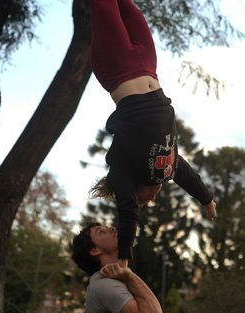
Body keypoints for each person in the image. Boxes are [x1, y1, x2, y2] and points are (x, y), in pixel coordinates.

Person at [90, 0, 217, 264]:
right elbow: (189, 176)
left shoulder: (123, 168)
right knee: (130, 8)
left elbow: (127, 211)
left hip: (117, 69)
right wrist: (207, 199)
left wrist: (124, 257)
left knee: (105, 6)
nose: (153, 197)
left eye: (144, 199)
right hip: (147, 65)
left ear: (135, 189)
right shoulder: (168, 167)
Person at [72, 223, 163, 313]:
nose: (112, 228)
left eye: (107, 228)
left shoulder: (112, 281)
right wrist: (130, 277)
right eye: (101, 232)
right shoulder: (105, 286)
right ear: (94, 250)